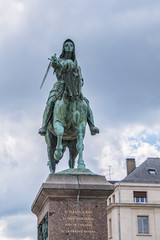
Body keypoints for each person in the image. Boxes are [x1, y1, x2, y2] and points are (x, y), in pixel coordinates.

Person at [39, 39, 99, 136]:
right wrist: (54, 62)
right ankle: (44, 126)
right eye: (66, 45)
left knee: (86, 103)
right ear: (63, 48)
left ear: (73, 48)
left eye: (71, 45)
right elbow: (57, 66)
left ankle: (92, 126)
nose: (68, 47)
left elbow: (81, 79)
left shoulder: (77, 65)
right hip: (60, 86)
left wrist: (80, 81)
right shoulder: (60, 60)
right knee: (50, 102)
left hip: (74, 87)